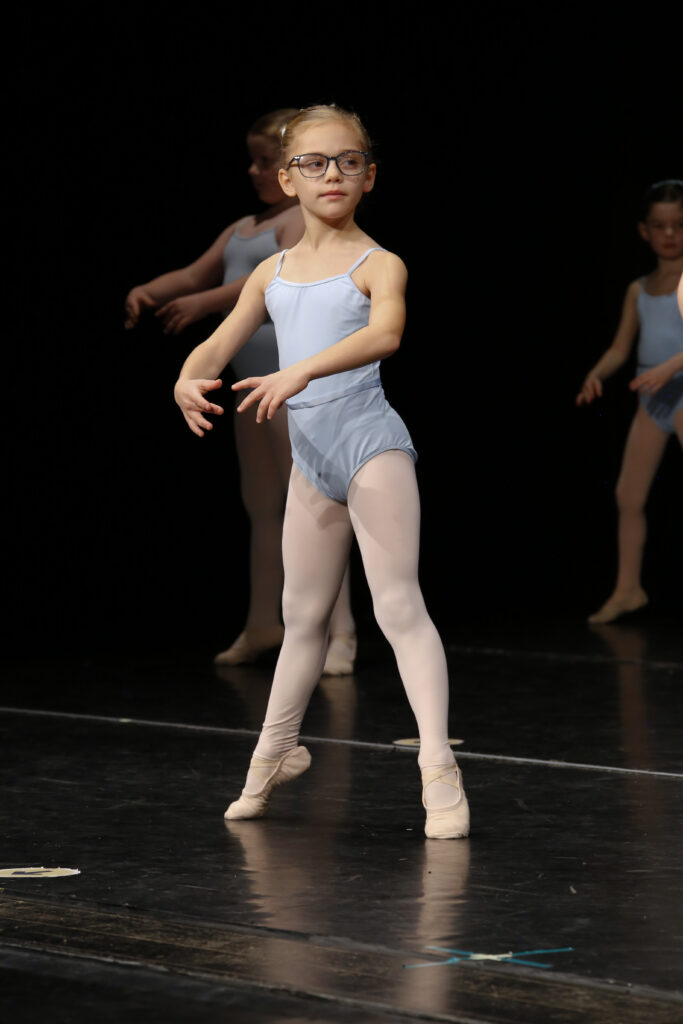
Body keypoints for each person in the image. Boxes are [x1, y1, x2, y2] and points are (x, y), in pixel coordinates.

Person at [173, 105, 469, 840]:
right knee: (301, 619)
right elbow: (217, 344)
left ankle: (439, 769)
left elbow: (386, 333)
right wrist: (186, 377)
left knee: (398, 607)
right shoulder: (271, 273)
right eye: (313, 162)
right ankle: (274, 754)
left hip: (370, 448)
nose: (331, 174)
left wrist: (300, 370)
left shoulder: (378, 263)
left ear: (369, 176)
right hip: (313, 462)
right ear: (287, 179)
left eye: (347, 161)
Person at [125, 110, 357, 674]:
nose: (255, 172)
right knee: (262, 506)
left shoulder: (297, 225)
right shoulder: (242, 229)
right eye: (252, 162)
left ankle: (340, 631)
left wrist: (203, 304)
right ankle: (261, 622)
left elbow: (269, 281)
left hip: (293, 387)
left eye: (265, 161)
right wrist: (149, 291)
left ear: (291, 169)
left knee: (314, 506)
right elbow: (194, 274)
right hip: (250, 390)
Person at [577, 180, 683, 624]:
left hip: (679, 389)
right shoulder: (639, 289)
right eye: (660, 225)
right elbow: (621, 349)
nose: (669, 234)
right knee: (628, 495)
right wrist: (596, 373)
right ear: (644, 231)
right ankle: (628, 589)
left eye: (678, 225)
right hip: (653, 399)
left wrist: (667, 369)